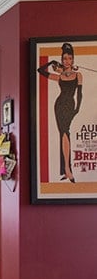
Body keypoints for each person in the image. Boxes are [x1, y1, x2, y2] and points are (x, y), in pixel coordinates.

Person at [37, 42, 83, 182]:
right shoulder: (60, 76)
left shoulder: (78, 75)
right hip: (59, 105)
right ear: (62, 61)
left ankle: (67, 170)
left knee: (65, 133)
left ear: (73, 60)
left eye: (69, 58)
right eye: (64, 59)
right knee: (63, 133)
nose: (67, 61)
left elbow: (80, 94)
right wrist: (51, 62)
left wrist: (77, 109)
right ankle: (67, 170)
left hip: (70, 105)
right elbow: (40, 71)